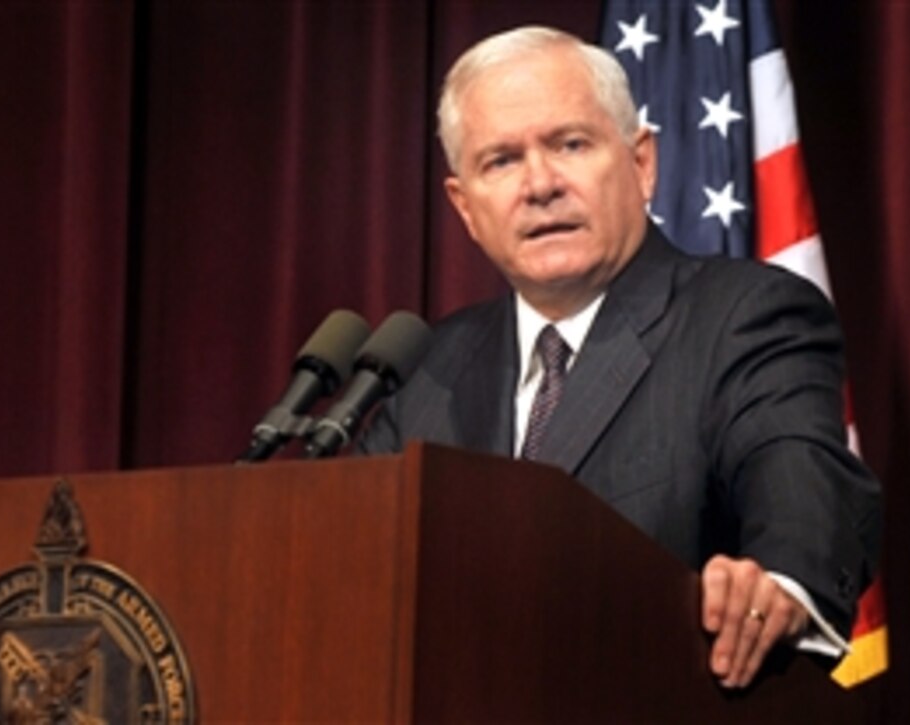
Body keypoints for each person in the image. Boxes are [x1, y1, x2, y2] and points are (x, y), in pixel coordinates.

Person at [356, 26, 881, 690]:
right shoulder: (427, 368)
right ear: (464, 205)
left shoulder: (745, 316)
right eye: (501, 161)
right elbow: (346, 566)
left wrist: (778, 581)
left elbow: (800, 482)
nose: (540, 184)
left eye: (570, 144)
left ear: (641, 163)